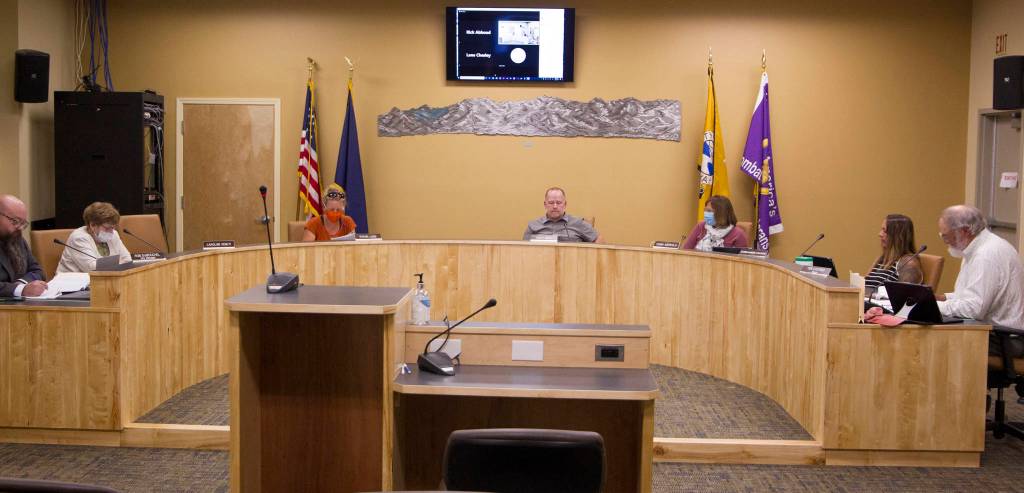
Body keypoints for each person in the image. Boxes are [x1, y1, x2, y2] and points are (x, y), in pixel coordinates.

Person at [936, 205, 1024, 334]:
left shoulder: (985, 256)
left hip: (1003, 336)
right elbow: (973, 295)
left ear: (964, 231)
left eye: (945, 236)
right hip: (988, 329)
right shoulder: (975, 247)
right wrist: (943, 298)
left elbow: (974, 309)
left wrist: (933, 306)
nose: (945, 241)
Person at [56, 202, 132, 274]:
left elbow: (127, 259)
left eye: (113, 228)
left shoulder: (113, 234)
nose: (111, 232)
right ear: (92, 225)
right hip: (73, 284)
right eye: (107, 228)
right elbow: (92, 268)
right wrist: (119, 262)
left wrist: (111, 264)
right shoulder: (78, 238)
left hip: (103, 281)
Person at [0, 195, 47, 297]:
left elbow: (37, 271)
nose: (20, 228)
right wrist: (20, 290)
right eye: (15, 221)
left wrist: (21, 283)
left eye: (23, 223)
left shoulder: (17, 239)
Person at [863, 214, 923, 291]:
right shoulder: (882, 259)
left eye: (885, 231)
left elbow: (903, 297)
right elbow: (864, 285)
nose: (880, 234)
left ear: (898, 236)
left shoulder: (908, 263)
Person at [522, 187, 602, 243]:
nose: (555, 206)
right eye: (551, 203)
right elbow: (524, 249)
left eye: (559, 203)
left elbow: (599, 240)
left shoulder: (579, 223)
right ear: (545, 204)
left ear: (565, 204)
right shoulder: (533, 225)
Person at [682, 195, 748, 251]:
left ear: (722, 213)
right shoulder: (701, 226)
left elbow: (742, 261)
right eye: (705, 210)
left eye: (709, 211)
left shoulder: (738, 234)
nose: (706, 214)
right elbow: (686, 250)